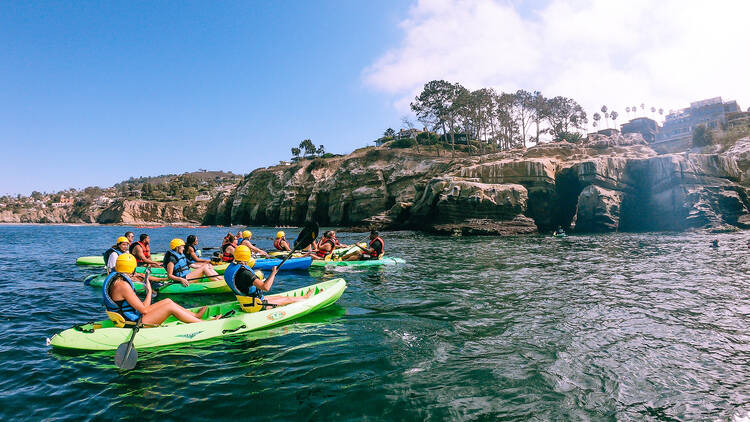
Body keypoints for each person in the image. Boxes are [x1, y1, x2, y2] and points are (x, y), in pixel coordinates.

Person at [103, 253, 216, 325]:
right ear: (132, 268)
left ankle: (195, 316)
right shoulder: (123, 285)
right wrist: (149, 291)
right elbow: (144, 310)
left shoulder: (115, 279)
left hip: (129, 316)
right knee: (170, 307)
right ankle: (202, 323)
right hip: (133, 323)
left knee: (168, 301)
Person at [224, 245, 313, 309]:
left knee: (281, 297)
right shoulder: (245, 274)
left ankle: (302, 297)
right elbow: (266, 287)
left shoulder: (231, 268)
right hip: (255, 306)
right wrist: (273, 273)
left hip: (246, 301)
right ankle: (305, 298)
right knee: (288, 299)